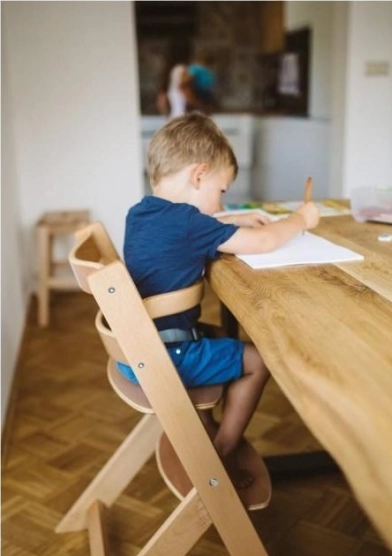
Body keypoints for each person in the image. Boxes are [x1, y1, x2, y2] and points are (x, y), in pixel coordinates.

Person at [120, 112, 320, 488]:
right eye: (221, 191)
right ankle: (223, 452)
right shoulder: (189, 225)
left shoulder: (142, 213)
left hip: (139, 350)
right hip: (166, 359)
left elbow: (193, 228)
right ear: (199, 175)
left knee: (224, 343)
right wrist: (300, 220)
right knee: (259, 361)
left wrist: (230, 221)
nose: (218, 202)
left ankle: (209, 431)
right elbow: (263, 243)